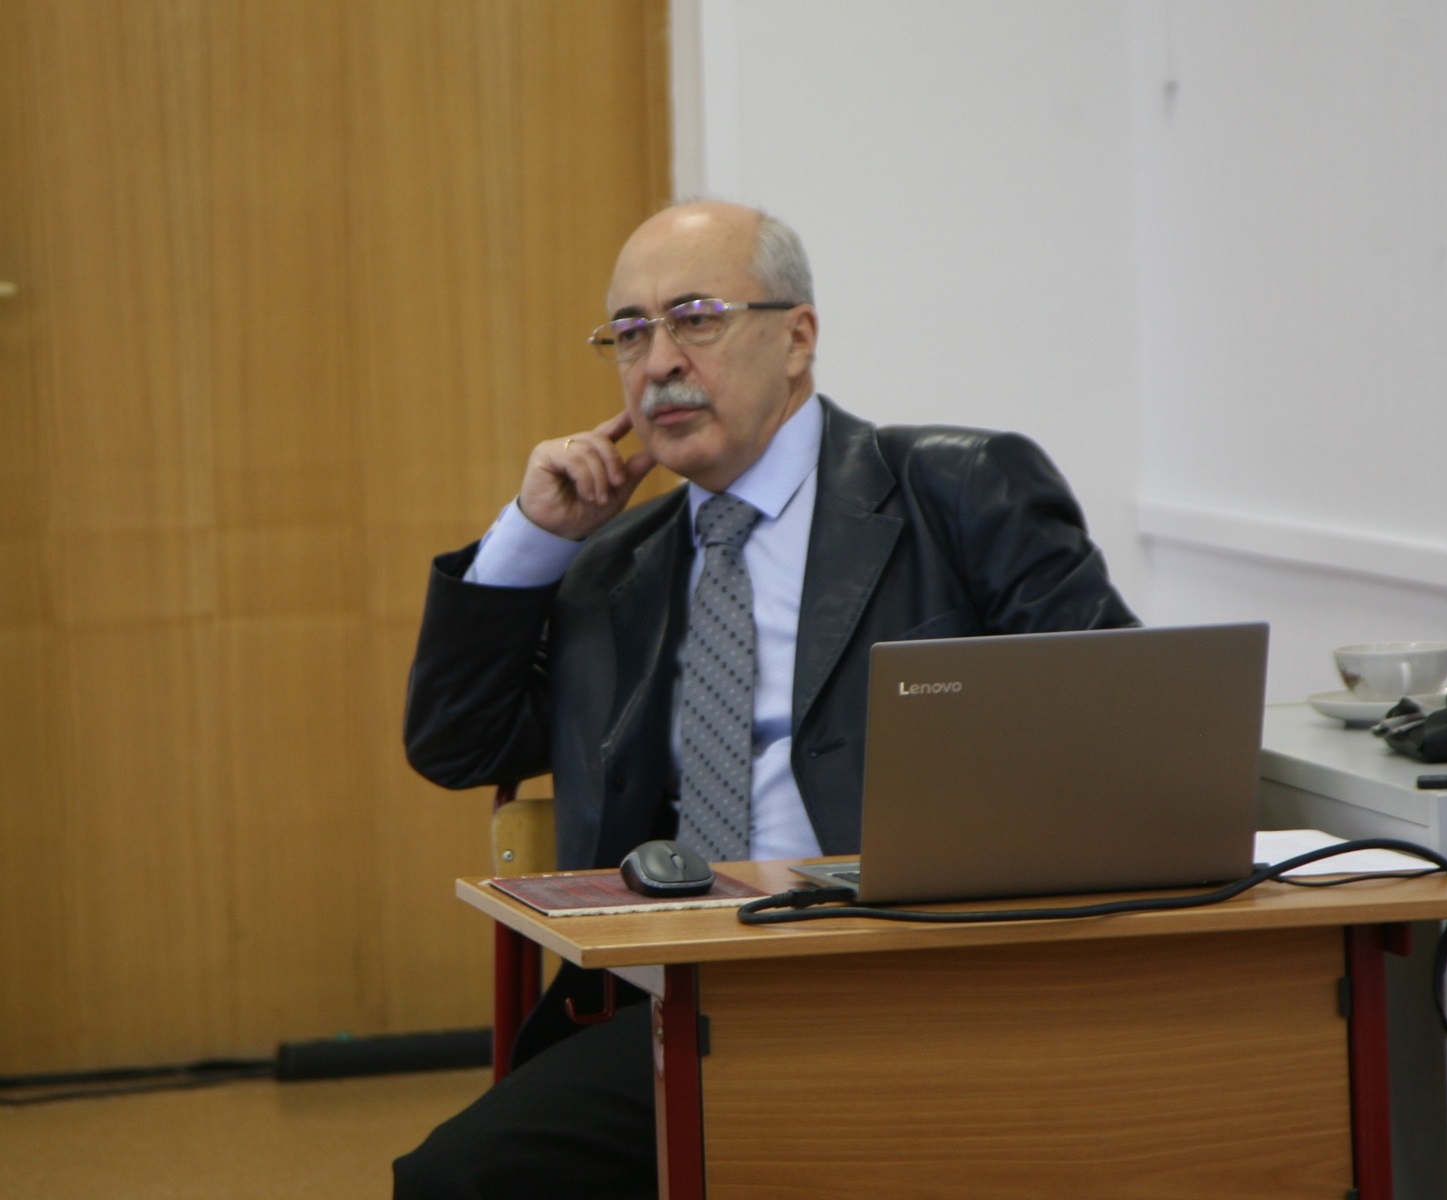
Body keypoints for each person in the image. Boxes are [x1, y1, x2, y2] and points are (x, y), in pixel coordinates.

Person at [395, 200, 1138, 1198]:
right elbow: (457, 742)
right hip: (672, 1005)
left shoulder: (958, 491)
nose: (659, 362)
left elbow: (1119, 736)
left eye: (695, 319)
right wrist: (531, 539)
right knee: (457, 1180)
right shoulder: (611, 564)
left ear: (797, 338)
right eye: (630, 333)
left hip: (921, 983)